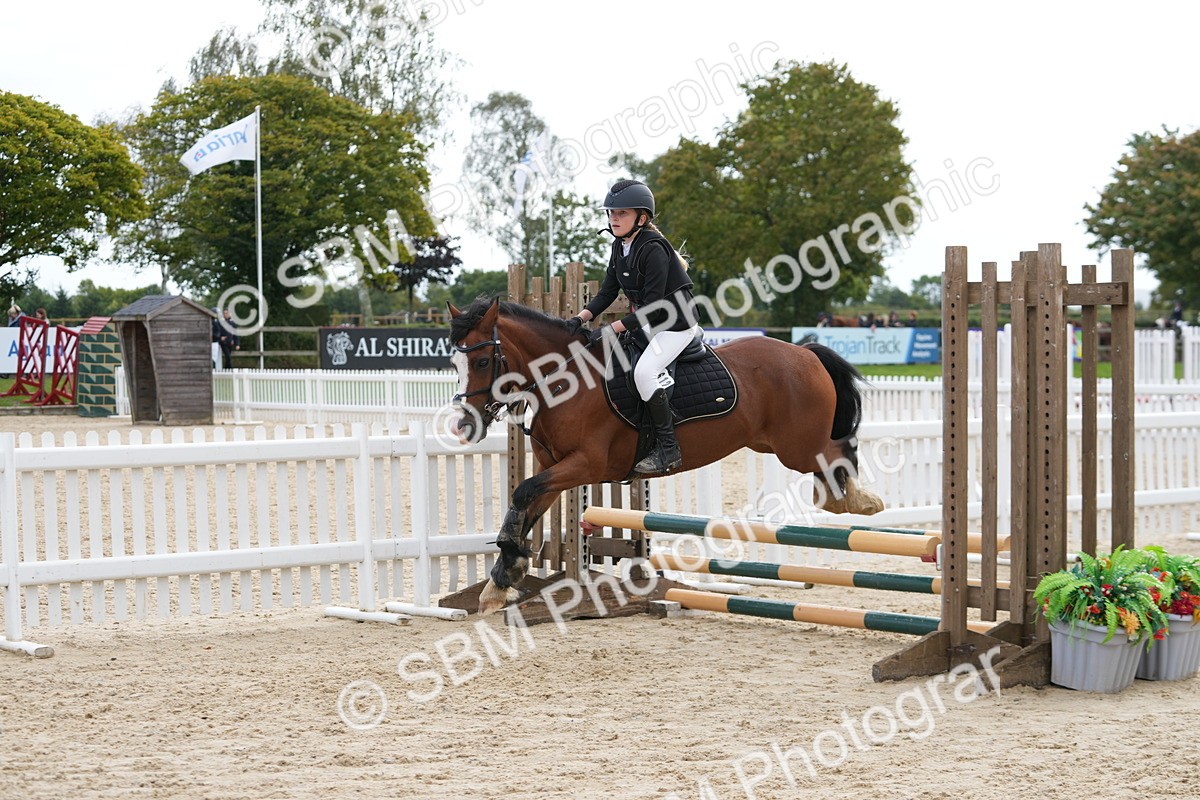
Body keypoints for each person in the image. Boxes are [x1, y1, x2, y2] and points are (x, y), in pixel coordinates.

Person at [564, 179, 699, 474]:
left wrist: (613, 329)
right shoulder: (619, 246)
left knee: (645, 373)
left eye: (621, 213)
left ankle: (668, 449)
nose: (613, 218)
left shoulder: (653, 249)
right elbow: (607, 293)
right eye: (611, 212)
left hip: (675, 326)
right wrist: (580, 318)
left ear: (642, 217)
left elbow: (652, 307)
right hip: (649, 326)